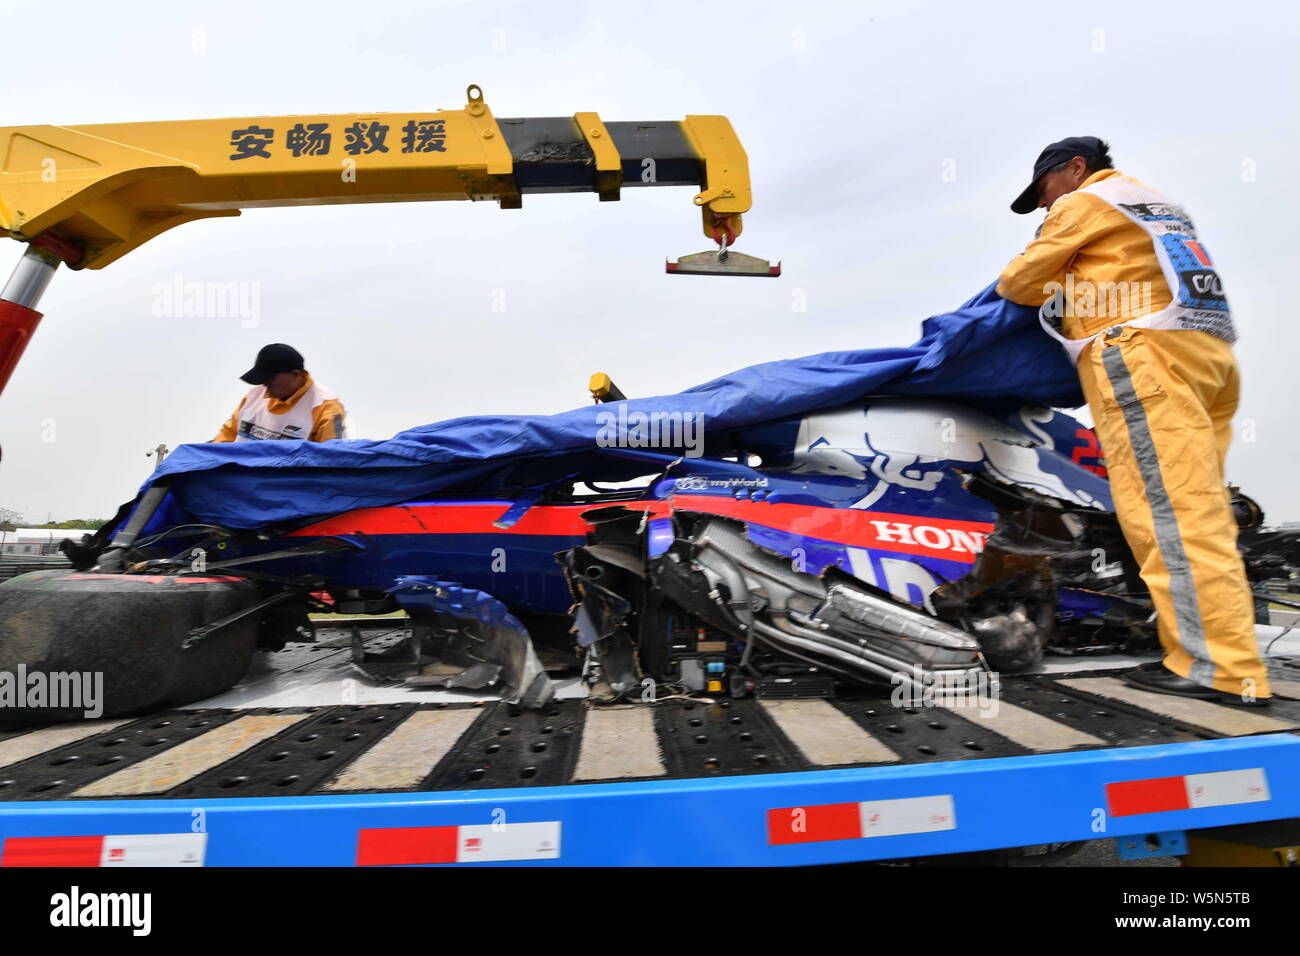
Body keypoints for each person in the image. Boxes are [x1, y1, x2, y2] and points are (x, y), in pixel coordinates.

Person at [996, 136, 1270, 707]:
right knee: (1201, 512)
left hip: (1145, 357)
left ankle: (1216, 669)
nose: (1045, 207)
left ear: (1075, 169)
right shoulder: (1153, 202)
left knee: (1171, 516)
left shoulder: (1086, 201)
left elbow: (1020, 282)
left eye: (1044, 192)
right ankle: (1222, 652)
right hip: (1207, 356)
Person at [212, 343, 346, 443]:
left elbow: (334, 458)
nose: (264, 384)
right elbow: (223, 439)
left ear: (295, 375)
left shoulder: (326, 407)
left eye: (269, 378)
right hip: (243, 478)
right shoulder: (253, 397)